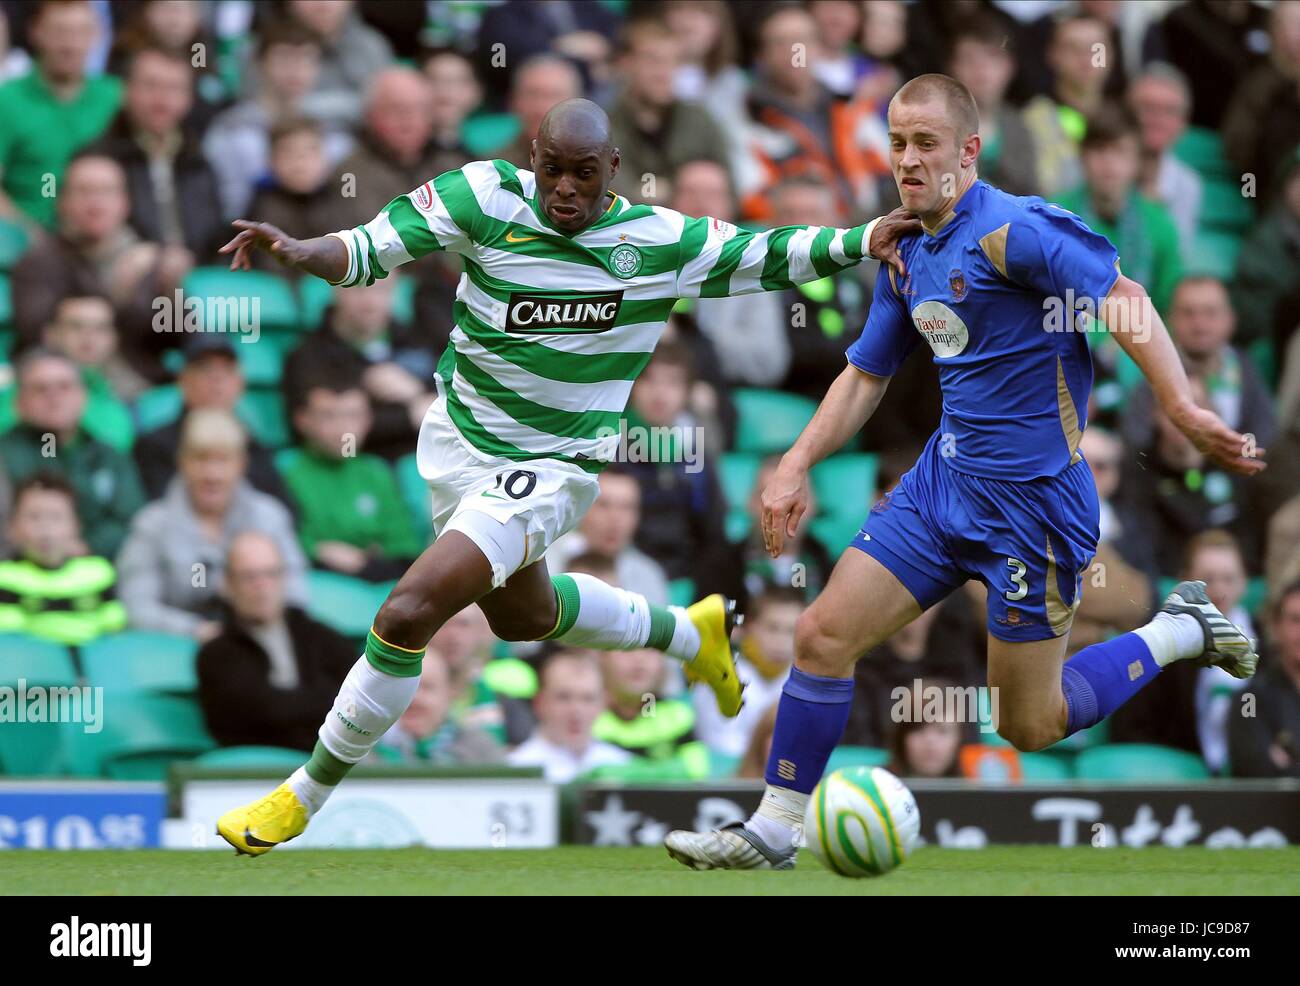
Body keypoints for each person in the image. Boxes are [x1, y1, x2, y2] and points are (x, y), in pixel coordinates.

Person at [212, 95, 919, 855]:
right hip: (459, 444)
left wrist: (862, 236)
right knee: (521, 617)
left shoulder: (656, 242)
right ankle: (689, 631)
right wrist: (299, 245)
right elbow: (366, 250)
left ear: (613, 169)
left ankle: (302, 796)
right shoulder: (481, 196)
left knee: (407, 613)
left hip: (552, 467)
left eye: (585, 175)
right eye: (553, 171)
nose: (566, 192)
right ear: (533, 160)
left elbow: (768, 253)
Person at [665, 72, 1264, 871]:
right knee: (820, 634)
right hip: (942, 487)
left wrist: (1182, 408)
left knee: (1031, 724)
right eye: (897, 144)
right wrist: (797, 461)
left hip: (1035, 510)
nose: (906, 161)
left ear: (969, 151)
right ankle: (773, 830)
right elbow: (867, 374)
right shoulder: (905, 247)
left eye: (925, 144)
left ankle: (1179, 629)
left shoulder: (1017, 232)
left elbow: (1124, 297)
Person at [117, 408, 307, 640]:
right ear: (182, 461)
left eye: (223, 460)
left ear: (242, 464)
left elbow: (295, 593)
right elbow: (137, 609)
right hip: (176, 653)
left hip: (260, 646)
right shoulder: (152, 525)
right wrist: (199, 631)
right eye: (201, 459)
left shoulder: (269, 516)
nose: (212, 474)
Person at [197, 532, 355, 751]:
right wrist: (326, 702)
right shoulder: (216, 654)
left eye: (271, 574)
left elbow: (356, 700)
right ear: (228, 584)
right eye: (249, 576)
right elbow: (260, 712)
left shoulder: (322, 637)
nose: (262, 586)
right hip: (256, 773)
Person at [0, 348, 144, 559]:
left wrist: (87, 546)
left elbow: (131, 519)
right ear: (19, 402)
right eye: (41, 389)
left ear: (83, 397)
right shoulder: (4, 455)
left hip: (100, 573)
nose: (54, 397)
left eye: (64, 387)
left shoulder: (107, 454)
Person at [278, 376, 421, 582]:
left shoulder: (376, 471)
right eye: (328, 416)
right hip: (313, 582)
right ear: (302, 420)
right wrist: (316, 550)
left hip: (381, 583)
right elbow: (285, 539)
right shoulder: (285, 469)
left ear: (368, 420)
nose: (343, 428)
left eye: (353, 416)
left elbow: (403, 545)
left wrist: (366, 562)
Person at [0, 0, 120, 228]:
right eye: (60, 32)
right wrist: (28, 236)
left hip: (104, 243)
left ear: (97, 35)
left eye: (81, 32)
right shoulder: (5, 101)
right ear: (35, 33)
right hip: (28, 245)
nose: (71, 45)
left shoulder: (116, 97)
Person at [0, 473, 126, 644]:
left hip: (89, 667)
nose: (45, 529)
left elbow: (114, 630)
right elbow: (10, 639)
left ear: (76, 525)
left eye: (56, 517)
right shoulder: (6, 577)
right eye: (34, 517)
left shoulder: (99, 573)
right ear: (13, 526)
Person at [506, 649, 630, 783]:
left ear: (604, 704)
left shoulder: (622, 767)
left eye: (588, 698)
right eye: (564, 697)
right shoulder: (514, 771)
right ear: (540, 703)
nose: (576, 710)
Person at [1229, 580, 1300, 778]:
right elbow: (1254, 766)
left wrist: (1288, 761)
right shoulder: (1249, 699)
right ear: (1277, 628)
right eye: (1295, 620)